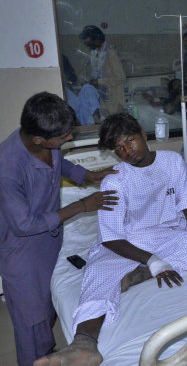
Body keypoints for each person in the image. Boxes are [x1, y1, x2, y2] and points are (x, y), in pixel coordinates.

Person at [34, 113, 187, 366]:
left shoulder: (172, 162)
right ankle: (84, 344)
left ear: (143, 136)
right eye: (119, 148)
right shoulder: (114, 182)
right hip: (128, 242)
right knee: (99, 272)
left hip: (169, 235)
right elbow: (111, 238)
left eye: (130, 141)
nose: (127, 151)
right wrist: (154, 261)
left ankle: (141, 274)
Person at [0, 92, 118, 366]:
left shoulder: (45, 142)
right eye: (63, 137)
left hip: (50, 241)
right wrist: (82, 205)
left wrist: (87, 175)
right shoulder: (7, 168)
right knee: (32, 322)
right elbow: (24, 225)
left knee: (47, 307)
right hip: (22, 252)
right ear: (39, 139)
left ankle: (48, 348)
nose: (69, 139)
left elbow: (59, 163)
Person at [79, 25, 126, 116]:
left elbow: (121, 77)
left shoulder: (110, 53)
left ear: (97, 40)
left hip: (113, 100)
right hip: (103, 100)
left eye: (89, 43)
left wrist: (99, 81)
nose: (87, 45)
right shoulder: (96, 53)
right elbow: (97, 73)